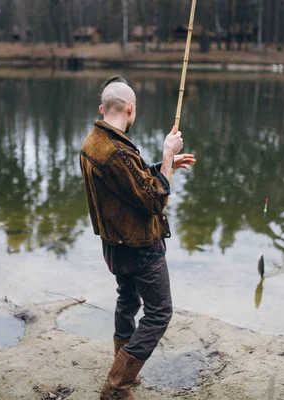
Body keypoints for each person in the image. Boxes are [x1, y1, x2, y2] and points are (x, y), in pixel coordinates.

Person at [79, 76, 196, 400]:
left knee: (128, 301)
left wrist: (164, 165)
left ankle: (122, 364)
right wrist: (168, 154)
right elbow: (155, 198)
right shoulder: (117, 151)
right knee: (159, 313)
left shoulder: (94, 143)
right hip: (140, 246)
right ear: (130, 108)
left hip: (115, 247)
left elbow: (129, 184)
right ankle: (117, 386)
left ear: (103, 109)